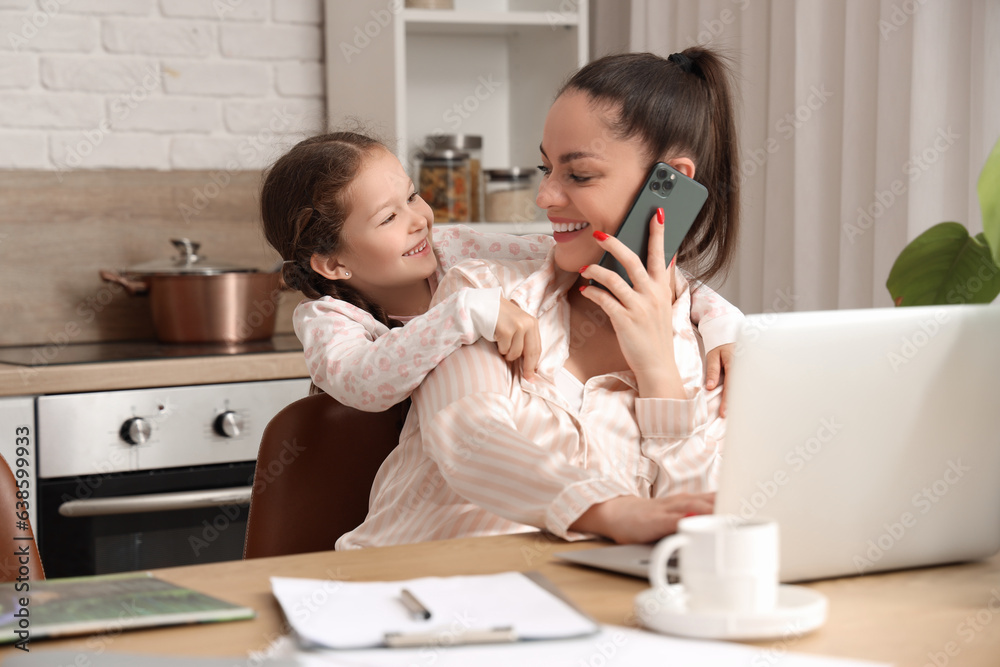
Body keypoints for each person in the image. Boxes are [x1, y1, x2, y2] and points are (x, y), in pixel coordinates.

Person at [339, 47, 738, 549]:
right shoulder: (484, 295)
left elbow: (694, 541)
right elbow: (470, 442)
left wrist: (659, 372)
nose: (545, 197)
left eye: (579, 174)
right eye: (545, 168)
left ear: (671, 183)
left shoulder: (714, 354)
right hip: (407, 596)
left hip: (576, 614)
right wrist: (610, 511)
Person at [259, 130, 743, 413]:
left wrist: (717, 318)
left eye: (411, 196)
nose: (419, 218)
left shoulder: (455, 246)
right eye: (389, 218)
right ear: (334, 263)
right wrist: (465, 312)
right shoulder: (327, 318)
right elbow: (365, 383)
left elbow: (582, 257)